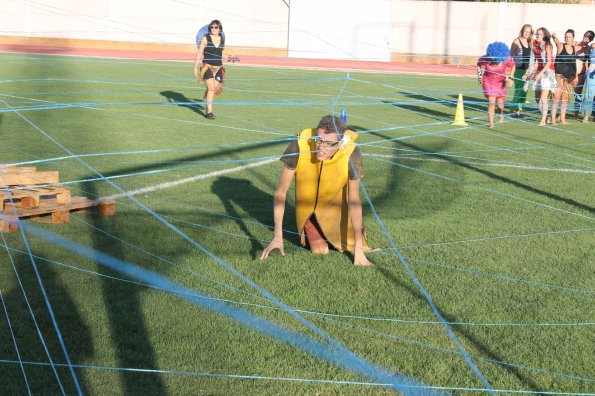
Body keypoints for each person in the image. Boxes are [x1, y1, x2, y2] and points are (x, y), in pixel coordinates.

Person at [260, 115, 373, 266]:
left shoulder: (352, 154)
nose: (321, 146)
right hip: (309, 212)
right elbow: (280, 192)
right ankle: (317, 228)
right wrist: (277, 236)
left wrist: (358, 250)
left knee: (349, 244)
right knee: (320, 250)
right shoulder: (299, 146)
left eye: (328, 143)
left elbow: (354, 199)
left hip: (337, 210)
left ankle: (355, 228)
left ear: (340, 143)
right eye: (319, 140)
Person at [477, 42, 516, 128]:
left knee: (500, 105)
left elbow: (513, 65)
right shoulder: (486, 58)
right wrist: (479, 76)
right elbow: (479, 64)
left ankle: (500, 114)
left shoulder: (506, 59)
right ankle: (491, 124)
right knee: (492, 102)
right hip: (488, 82)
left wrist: (511, 77)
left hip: (500, 83)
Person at [193, 20, 224, 119]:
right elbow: (199, 53)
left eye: (216, 27)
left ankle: (207, 107)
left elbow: (219, 53)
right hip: (207, 66)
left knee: (213, 89)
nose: (213, 29)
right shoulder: (205, 38)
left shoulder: (222, 39)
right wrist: (195, 67)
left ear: (220, 29)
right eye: (211, 27)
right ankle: (209, 112)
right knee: (211, 88)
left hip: (219, 67)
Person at [526, 27, 556, 125]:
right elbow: (532, 60)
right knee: (537, 97)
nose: (538, 36)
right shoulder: (534, 44)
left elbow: (549, 62)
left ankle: (543, 120)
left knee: (543, 97)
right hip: (539, 71)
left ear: (545, 36)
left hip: (548, 72)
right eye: (537, 34)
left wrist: (540, 73)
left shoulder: (547, 46)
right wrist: (528, 73)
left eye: (541, 34)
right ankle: (546, 116)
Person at [551, 29, 577, 125]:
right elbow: (556, 42)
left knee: (565, 98)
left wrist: (576, 76)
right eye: (566, 36)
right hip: (560, 76)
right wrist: (554, 37)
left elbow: (574, 63)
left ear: (573, 38)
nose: (567, 38)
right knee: (557, 97)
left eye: (569, 37)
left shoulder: (574, 48)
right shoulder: (561, 46)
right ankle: (553, 119)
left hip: (569, 77)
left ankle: (562, 119)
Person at [510, 24, 534, 118]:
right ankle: (515, 110)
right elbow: (511, 56)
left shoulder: (530, 42)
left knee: (524, 91)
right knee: (519, 91)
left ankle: (517, 109)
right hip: (518, 69)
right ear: (522, 31)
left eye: (529, 31)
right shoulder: (517, 41)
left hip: (526, 70)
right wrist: (511, 74)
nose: (527, 33)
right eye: (525, 31)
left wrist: (529, 71)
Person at [574, 30, 595, 119]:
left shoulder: (589, 47)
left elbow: (587, 62)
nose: (586, 38)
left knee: (578, 94)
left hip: (582, 73)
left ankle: (576, 115)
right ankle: (559, 114)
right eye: (585, 35)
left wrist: (586, 71)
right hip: (572, 72)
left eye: (589, 37)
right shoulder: (576, 44)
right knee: (567, 94)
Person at [582, 40, 595, 123]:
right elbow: (586, 59)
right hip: (591, 73)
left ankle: (593, 116)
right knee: (589, 95)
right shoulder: (593, 46)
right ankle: (586, 115)